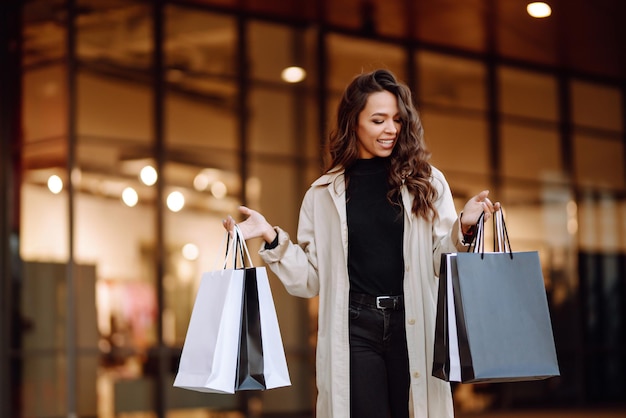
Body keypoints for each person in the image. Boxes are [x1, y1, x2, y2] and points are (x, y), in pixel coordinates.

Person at [223, 69, 500, 418]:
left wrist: (464, 226)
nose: (391, 130)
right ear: (354, 122)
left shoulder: (426, 182)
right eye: (378, 120)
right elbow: (310, 280)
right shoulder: (323, 194)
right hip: (354, 327)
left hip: (412, 320)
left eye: (397, 120)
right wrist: (271, 237)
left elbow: (438, 261)